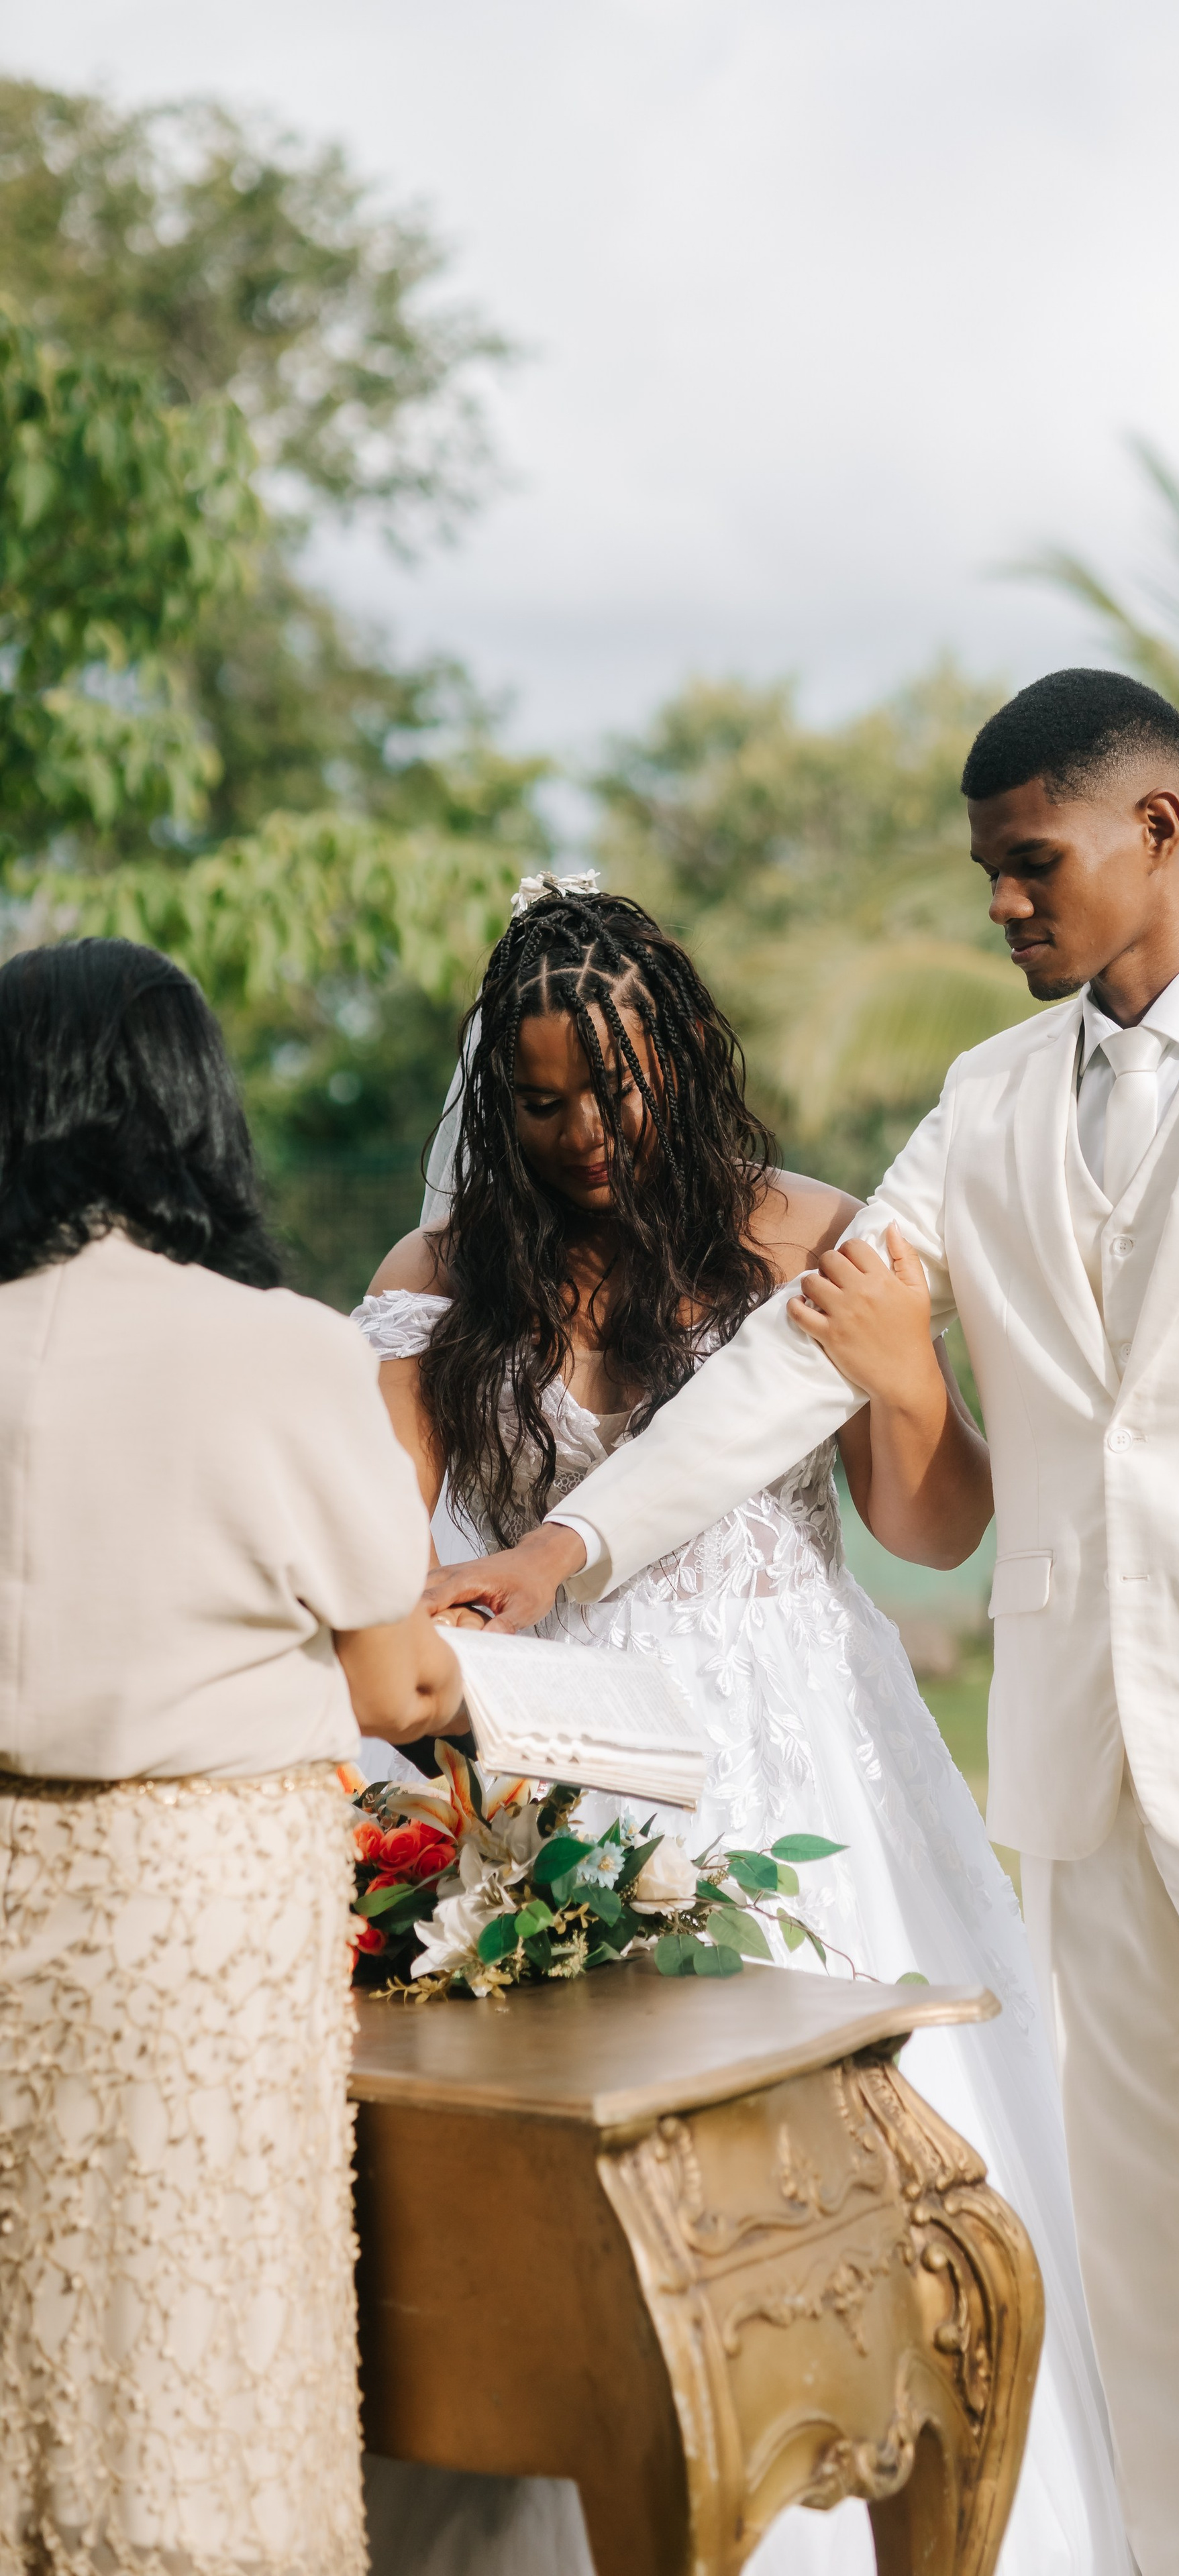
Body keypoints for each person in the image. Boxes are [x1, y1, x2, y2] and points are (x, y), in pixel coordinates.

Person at [439, 674, 1179, 2576]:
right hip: (1080, 1768)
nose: (1004, 906)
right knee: (1141, 2259)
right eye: (988, 875)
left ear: (1155, 830)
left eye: (1033, 866)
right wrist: (567, 1551)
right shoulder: (988, 1098)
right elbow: (794, 1364)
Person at [356, 882, 1131, 2576]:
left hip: (805, 1750)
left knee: (863, 2171)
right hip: (564, 1760)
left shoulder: (805, 1238)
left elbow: (933, 1525)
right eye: (540, 1103)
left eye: (614, 1089)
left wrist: (905, 1373)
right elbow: (375, 1551)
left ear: (689, 1054)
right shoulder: (440, 1276)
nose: (582, 1133)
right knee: (606, 2191)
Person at [0, 940, 464, 2576]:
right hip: (197, 1922)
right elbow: (397, 1680)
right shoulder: (281, 1350)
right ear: (192, 1106)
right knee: (199, 2328)